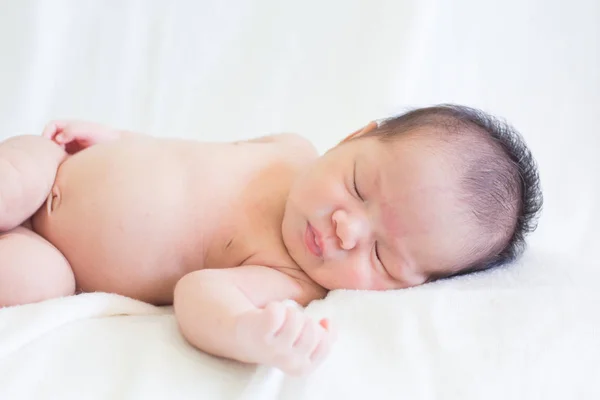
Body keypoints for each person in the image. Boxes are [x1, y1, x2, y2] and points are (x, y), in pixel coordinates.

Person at [0, 104, 542, 375]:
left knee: (31, 282)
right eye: (357, 185)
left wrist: (244, 330)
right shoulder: (288, 147)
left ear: (412, 287)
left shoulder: (290, 277)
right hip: (54, 166)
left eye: (381, 254)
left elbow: (197, 295)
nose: (346, 229)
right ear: (354, 138)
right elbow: (189, 151)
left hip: (59, 259)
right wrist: (119, 140)